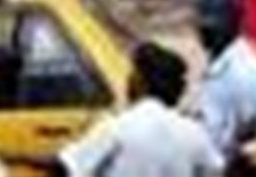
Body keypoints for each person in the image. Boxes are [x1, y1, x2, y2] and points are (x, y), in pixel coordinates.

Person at [59, 41, 223, 177]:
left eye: (133, 74)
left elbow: (67, 166)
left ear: (141, 81)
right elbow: (216, 169)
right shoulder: (194, 134)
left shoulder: (117, 127)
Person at [195, 0, 256, 168]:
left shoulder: (244, 71)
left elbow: (250, 137)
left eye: (214, 28)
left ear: (233, 25)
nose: (206, 34)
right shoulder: (223, 60)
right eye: (204, 27)